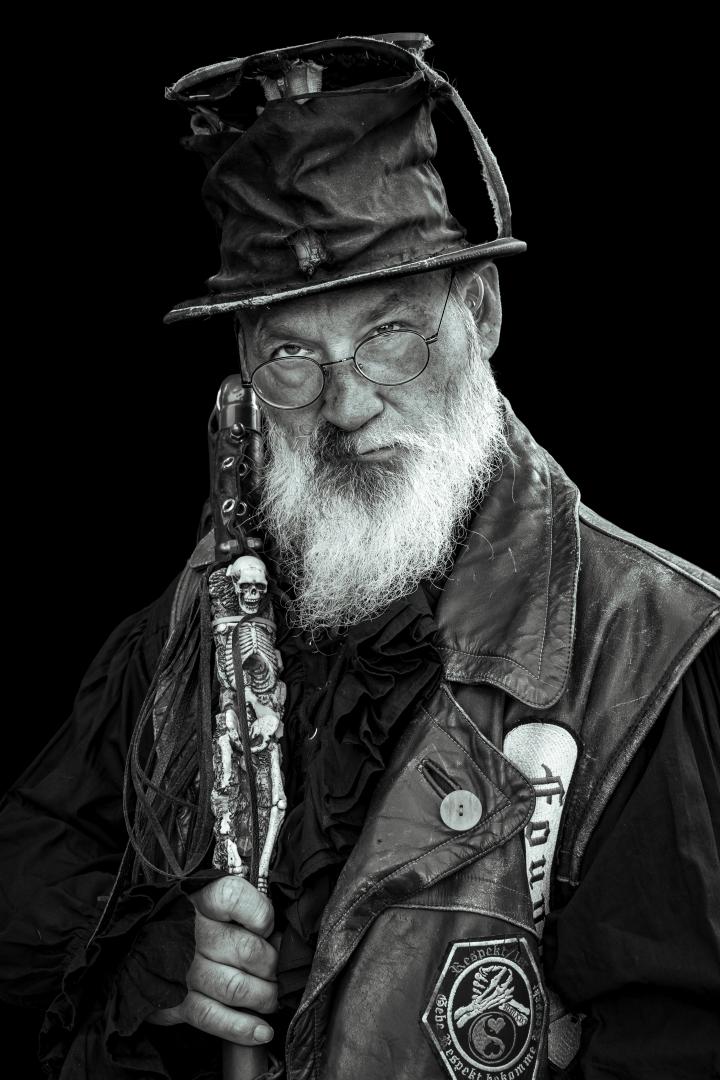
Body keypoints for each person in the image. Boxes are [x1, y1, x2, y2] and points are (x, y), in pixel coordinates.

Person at [1, 32, 718, 1080]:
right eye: (293, 352)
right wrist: (162, 955)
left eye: (388, 335)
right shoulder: (205, 614)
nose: (344, 405)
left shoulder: (647, 646)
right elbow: (24, 892)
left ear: (480, 312)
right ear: (247, 368)